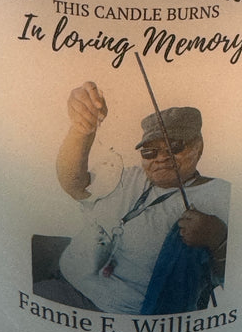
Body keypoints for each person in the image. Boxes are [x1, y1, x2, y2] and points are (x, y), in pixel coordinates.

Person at [34, 81, 230, 314]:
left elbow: (237, 279)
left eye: (174, 147)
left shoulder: (222, 194)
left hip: (112, 314)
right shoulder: (129, 176)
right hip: (66, 276)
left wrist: (219, 239)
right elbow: (74, 185)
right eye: (149, 151)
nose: (161, 158)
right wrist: (81, 130)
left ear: (199, 146)